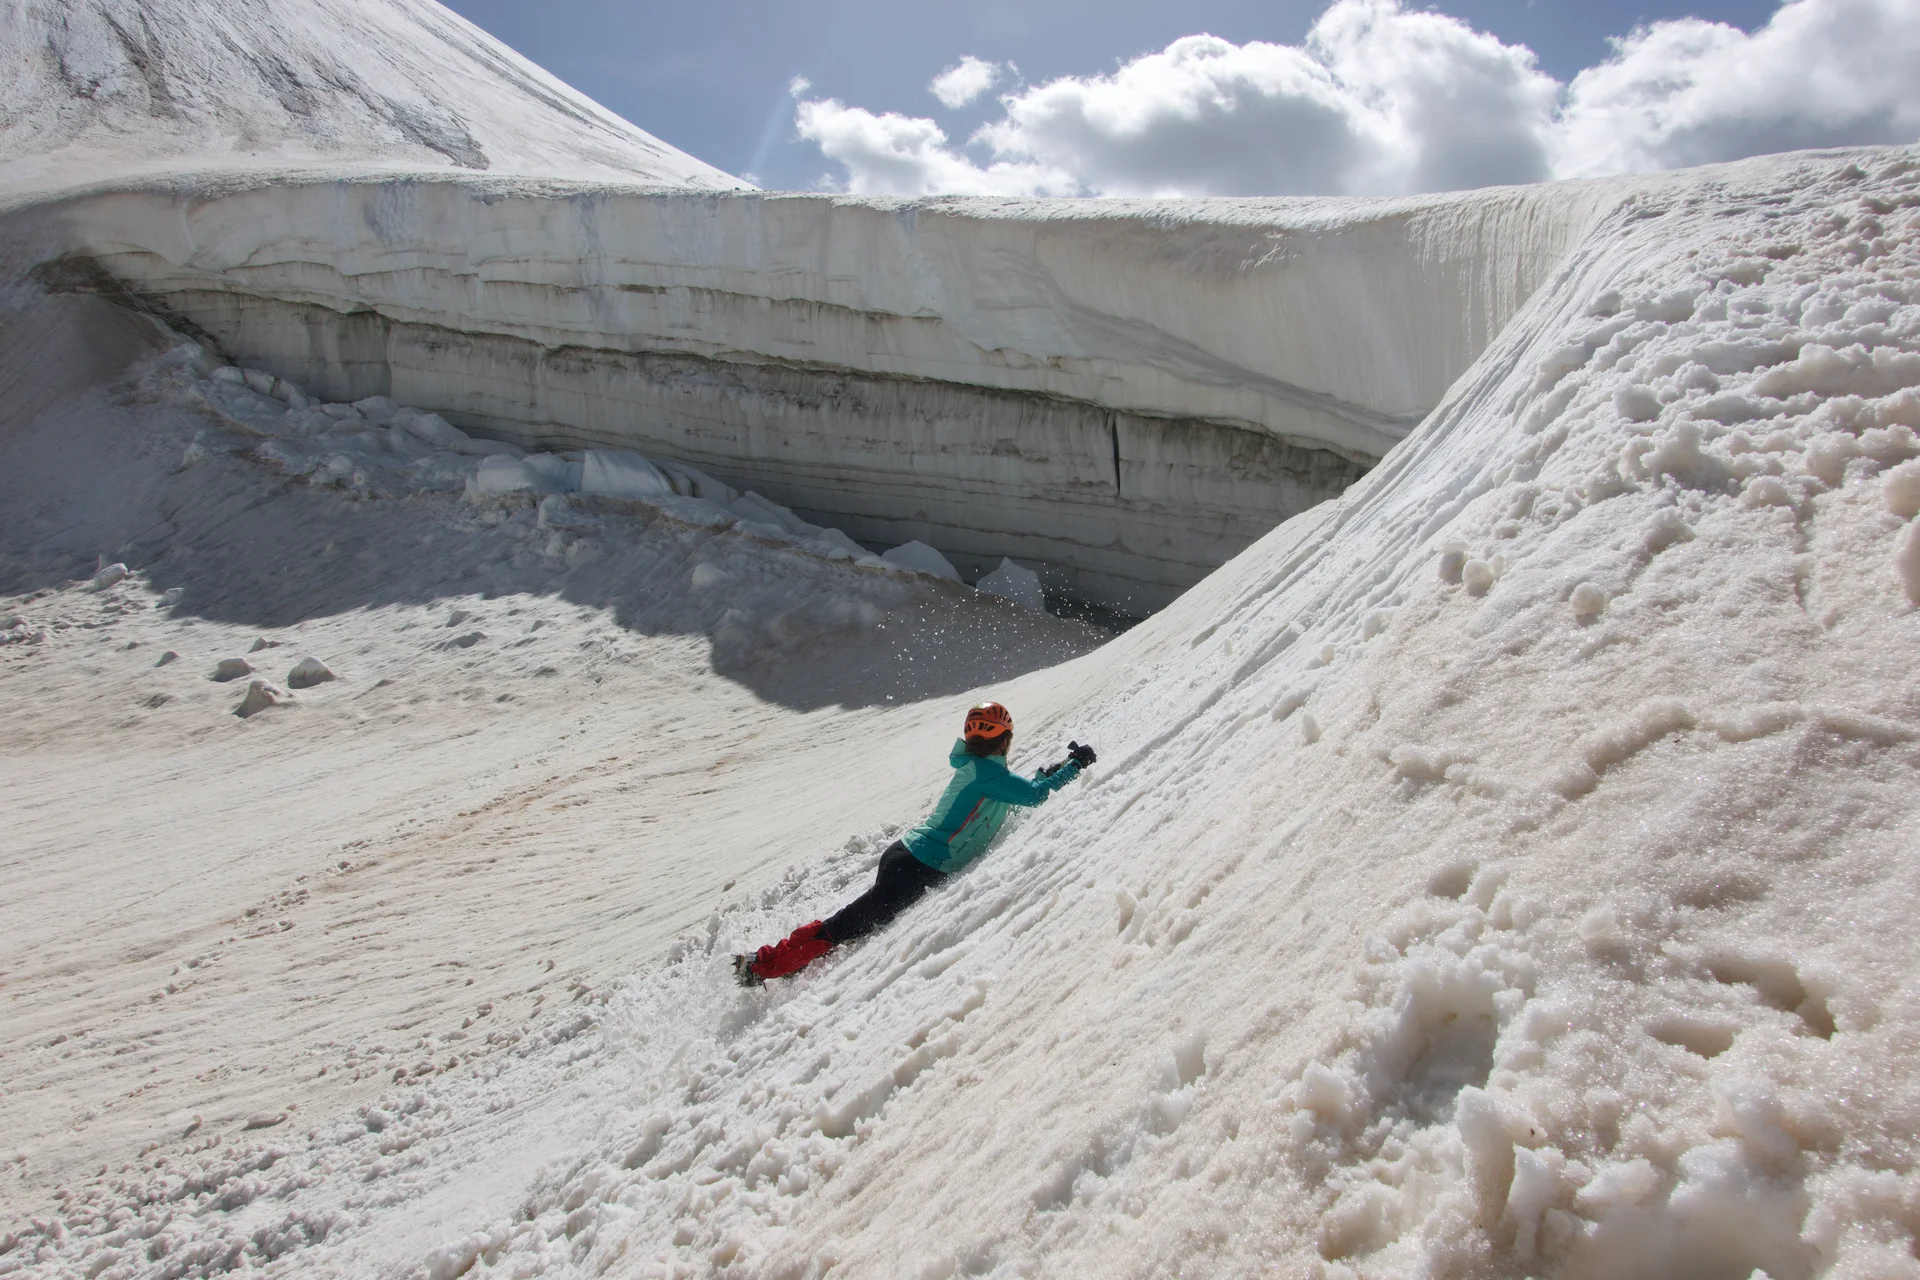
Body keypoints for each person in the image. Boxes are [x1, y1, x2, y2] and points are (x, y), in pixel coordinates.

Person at [735, 702, 1096, 986]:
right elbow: (1031, 797)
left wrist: (1049, 772)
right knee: (843, 926)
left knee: (852, 922)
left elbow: (1006, 798)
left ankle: (786, 964)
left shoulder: (981, 771)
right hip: (917, 867)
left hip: (908, 856)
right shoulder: (989, 773)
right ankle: (762, 965)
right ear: (1004, 740)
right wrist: (1074, 766)